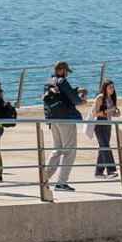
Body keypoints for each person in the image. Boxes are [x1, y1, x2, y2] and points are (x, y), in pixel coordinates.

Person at [41, 61, 87, 192]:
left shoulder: (49, 82)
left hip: (53, 119)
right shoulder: (62, 81)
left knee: (57, 149)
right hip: (66, 119)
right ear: (61, 70)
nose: (67, 74)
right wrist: (81, 100)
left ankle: (44, 178)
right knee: (70, 151)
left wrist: (76, 90)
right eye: (66, 71)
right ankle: (61, 183)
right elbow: (74, 99)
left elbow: (61, 96)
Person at [91, 80, 120, 178]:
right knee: (105, 146)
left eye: (113, 87)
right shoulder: (100, 98)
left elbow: (111, 113)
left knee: (103, 147)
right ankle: (111, 170)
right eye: (110, 87)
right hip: (99, 124)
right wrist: (109, 110)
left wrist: (116, 113)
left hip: (108, 124)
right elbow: (95, 113)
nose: (112, 89)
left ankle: (98, 172)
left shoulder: (111, 98)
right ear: (105, 88)